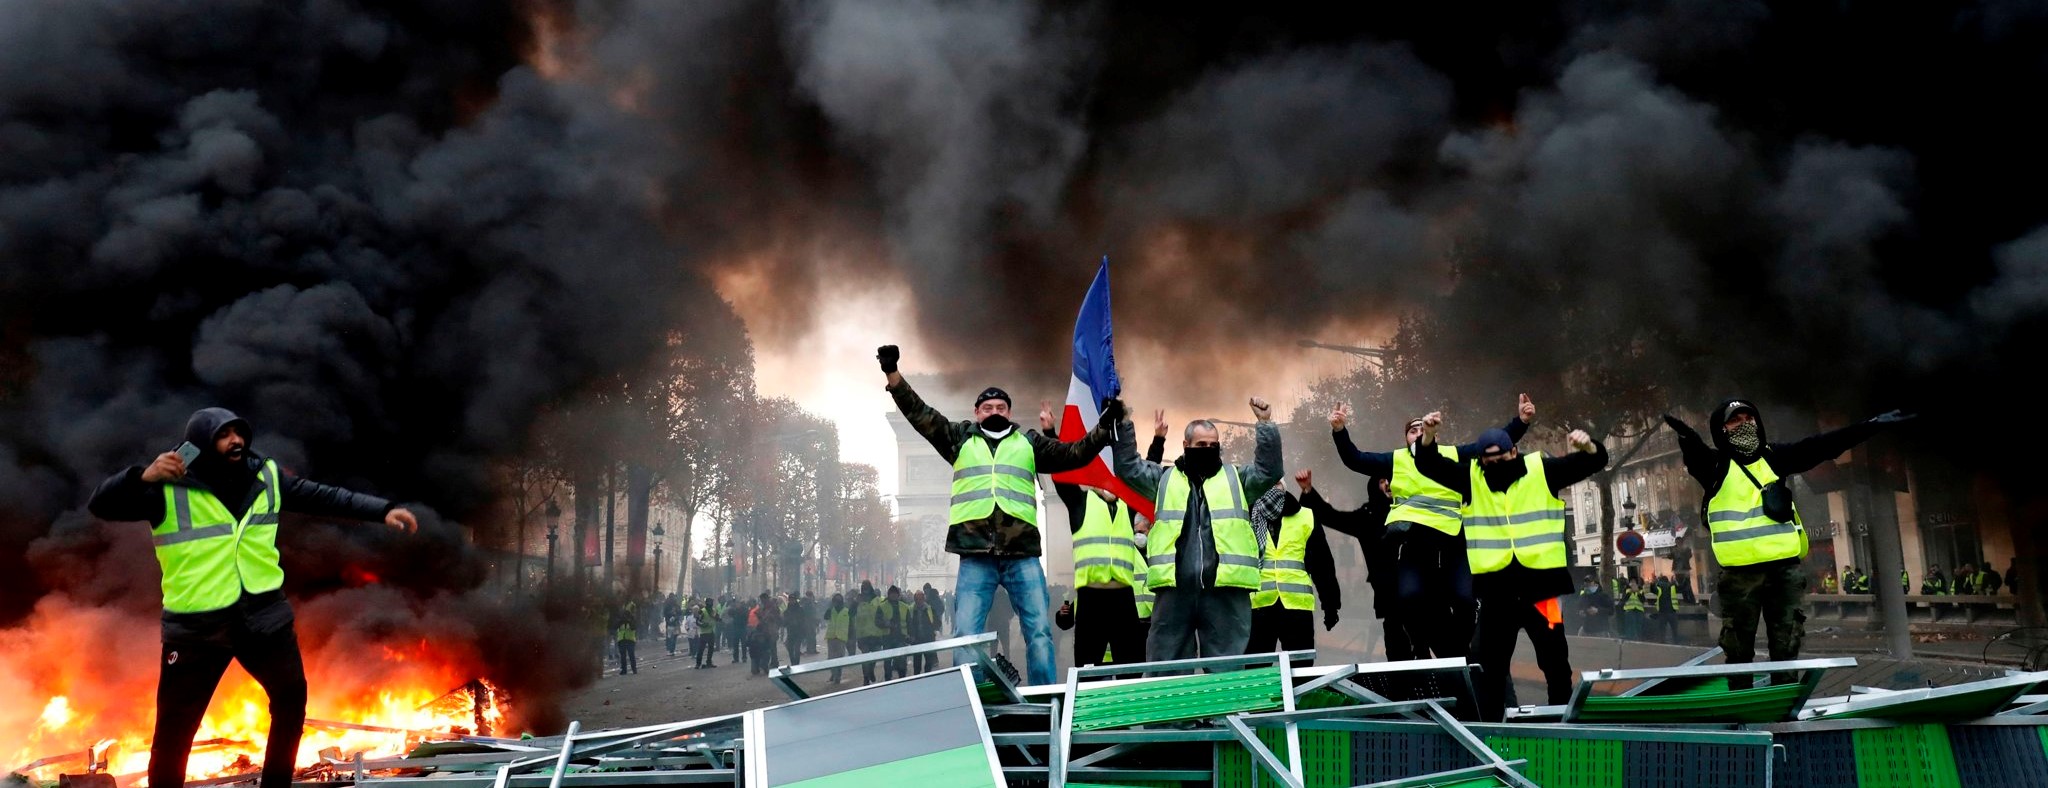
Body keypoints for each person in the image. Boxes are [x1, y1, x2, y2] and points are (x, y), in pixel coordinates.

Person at [86, 407, 419, 788]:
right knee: (174, 732)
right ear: (200, 443)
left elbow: (323, 497)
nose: (236, 441)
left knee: (291, 701)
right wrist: (140, 477)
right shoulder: (165, 485)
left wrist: (383, 510)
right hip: (196, 628)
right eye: (224, 435)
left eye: (239, 433)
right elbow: (101, 505)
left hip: (264, 618)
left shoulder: (266, 475)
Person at [878, 345, 1116, 687]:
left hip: (1021, 554)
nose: (994, 411)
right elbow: (920, 414)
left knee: (1039, 632)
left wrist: (1103, 429)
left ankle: (1045, 698)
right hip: (976, 554)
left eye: (1000, 407)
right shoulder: (957, 438)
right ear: (976, 413)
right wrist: (893, 375)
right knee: (965, 636)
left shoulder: (1029, 442)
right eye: (987, 407)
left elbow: (1072, 454)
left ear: (1010, 412)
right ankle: (971, 697)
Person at [1665, 401, 1912, 686]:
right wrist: (1687, 438)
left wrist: (1869, 426)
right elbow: (1696, 457)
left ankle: (1783, 696)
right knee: (1738, 648)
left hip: (1784, 572)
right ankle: (1741, 699)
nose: (1744, 425)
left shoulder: (1774, 457)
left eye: (1749, 418)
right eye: (1735, 421)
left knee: (1786, 644)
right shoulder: (1716, 465)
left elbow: (1822, 446)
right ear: (1722, 430)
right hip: (1739, 575)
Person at [1410, 419, 1604, 721]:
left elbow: (1592, 462)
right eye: (1489, 461)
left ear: (1514, 452)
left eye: (1501, 458)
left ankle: (1562, 723)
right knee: (1490, 667)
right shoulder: (1470, 478)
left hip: (1543, 591)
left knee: (1555, 661)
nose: (1496, 465)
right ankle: (1492, 728)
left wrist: (1589, 447)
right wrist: (1429, 437)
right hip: (1497, 594)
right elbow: (1429, 465)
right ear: (1480, 459)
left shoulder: (1542, 471)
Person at [1327, 396, 1535, 659]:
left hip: (1452, 541)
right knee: (1409, 597)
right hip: (1415, 542)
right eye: (1412, 431)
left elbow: (1491, 447)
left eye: (1421, 429)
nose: (1418, 433)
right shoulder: (1396, 460)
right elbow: (1355, 459)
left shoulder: (1452, 454)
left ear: (1434, 432)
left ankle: (1459, 649)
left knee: (1465, 600)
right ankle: (1420, 645)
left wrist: (1522, 422)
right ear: (1406, 439)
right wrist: (1339, 431)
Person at [1109, 395, 1285, 660]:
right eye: (1201, 444)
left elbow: (1269, 472)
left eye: (1213, 445)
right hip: (1174, 591)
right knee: (1167, 668)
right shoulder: (1163, 479)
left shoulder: (1237, 479)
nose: (1208, 449)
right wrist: (1123, 423)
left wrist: (1266, 425)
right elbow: (1128, 469)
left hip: (1225, 591)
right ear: (1185, 445)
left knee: (1226, 670)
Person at [1298, 473, 1410, 660]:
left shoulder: (1411, 509)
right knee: (1396, 638)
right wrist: (1309, 490)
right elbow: (1332, 516)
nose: (1388, 484)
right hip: (1388, 591)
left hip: (1418, 586)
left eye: (1390, 479)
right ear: (1374, 487)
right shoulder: (1367, 517)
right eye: (1382, 481)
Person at [1245, 471, 1343, 655]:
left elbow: (1322, 565)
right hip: (1258, 608)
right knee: (1257, 669)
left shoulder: (1306, 517)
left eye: (1275, 484)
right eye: (1265, 484)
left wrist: (1330, 605)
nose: (1271, 489)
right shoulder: (1248, 517)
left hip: (1296, 608)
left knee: (1300, 667)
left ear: (1283, 487)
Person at [876, 585, 913, 680]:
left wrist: (910, 635)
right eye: (892, 594)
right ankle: (888, 679)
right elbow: (877, 621)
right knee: (888, 661)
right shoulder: (882, 606)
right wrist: (886, 624)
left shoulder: (904, 607)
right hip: (887, 637)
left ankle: (902, 678)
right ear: (889, 595)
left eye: (895, 594)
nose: (893, 596)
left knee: (901, 660)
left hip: (901, 637)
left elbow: (909, 622)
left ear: (898, 595)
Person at [855, 582, 884, 685]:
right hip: (863, 635)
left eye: (867, 588)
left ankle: (871, 670)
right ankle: (866, 678)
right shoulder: (858, 602)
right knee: (865, 658)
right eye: (864, 589)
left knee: (875, 656)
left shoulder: (878, 601)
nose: (865, 591)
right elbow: (851, 613)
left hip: (876, 634)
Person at [910, 590, 942, 673]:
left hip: (928, 639)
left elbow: (937, 621)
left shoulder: (929, 609)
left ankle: (926, 675)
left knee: (928, 661)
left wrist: (934, 630)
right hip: (916, 639)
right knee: (917, 663)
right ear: (915, 600)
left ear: (924, 599)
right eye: (917, 599)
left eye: (921, 599)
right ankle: (917, 677)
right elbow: (908, 623)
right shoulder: (911, 609)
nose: (919, 601)